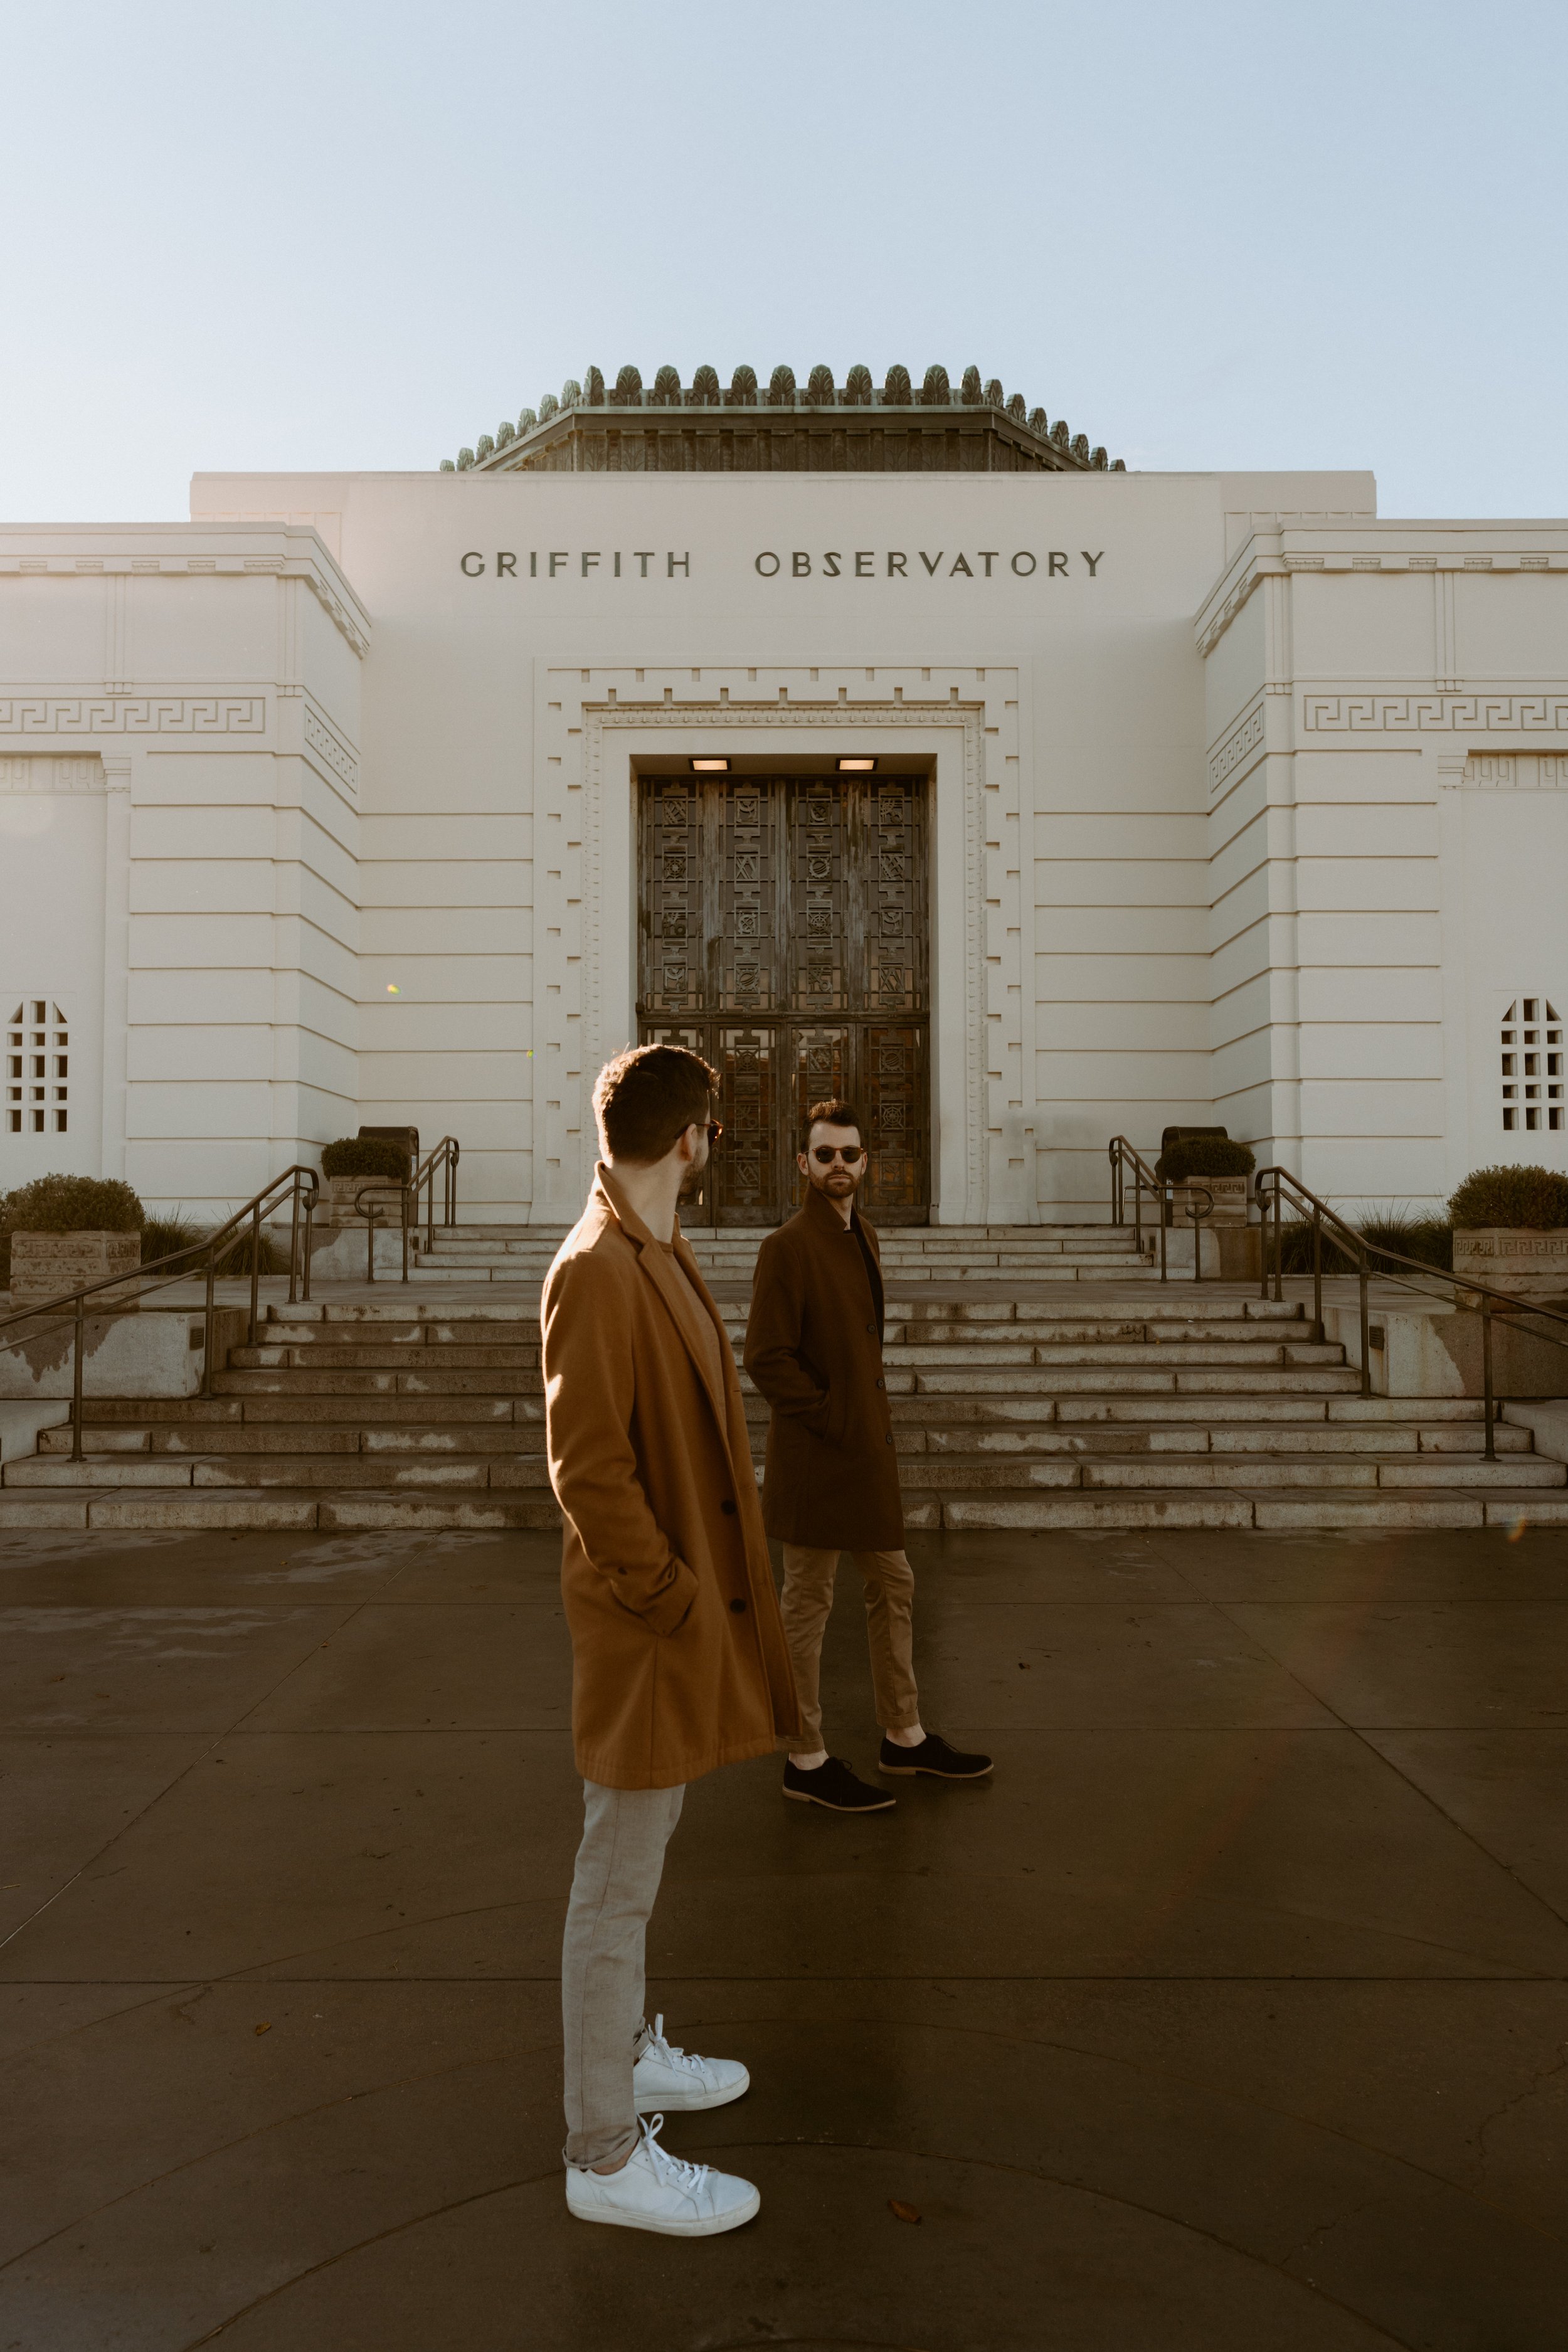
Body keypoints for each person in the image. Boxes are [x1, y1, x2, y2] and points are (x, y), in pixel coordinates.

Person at [543, 1044, 800, 2236]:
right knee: (614, 1885)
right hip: (647, 1631)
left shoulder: (659, 1250)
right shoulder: (598, 1269)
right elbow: (588, 1471)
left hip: (672, 1624)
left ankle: (629, 2064)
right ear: (695, 1137)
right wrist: (674, 1600)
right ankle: (603, 2153)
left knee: (637, 1871)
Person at [743, 1099, 992, 1813]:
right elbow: (766, 1357)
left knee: (896, 1587)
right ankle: (804, 1755)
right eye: (825, 1155)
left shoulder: (866, 1236)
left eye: (850, 1155)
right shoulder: (786, 1246)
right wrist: (832, 1416)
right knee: (809, 1604)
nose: (839, 1167)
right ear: (803, 1163)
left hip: (864, 1457)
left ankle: (903, 1735)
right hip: (819, 1457)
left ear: (865, 1163)